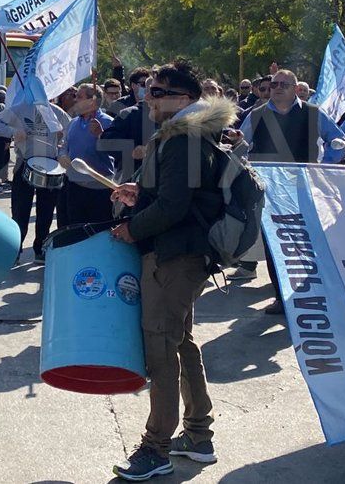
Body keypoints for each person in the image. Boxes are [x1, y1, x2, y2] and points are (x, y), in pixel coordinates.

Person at [108, 58, 236, 481]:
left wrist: (132, 228)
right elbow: (175, 194)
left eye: (158, 92)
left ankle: (156, 448)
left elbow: (175, 206)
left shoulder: (184, 137)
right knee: (181, 342)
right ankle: (198, 437)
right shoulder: (187, 134)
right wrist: (139, 191)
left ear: (185, 99)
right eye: (149, 90)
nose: (148, 96)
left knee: (161, 350)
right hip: (183, 254)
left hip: (175, 255)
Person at [227, 69, 345, 314]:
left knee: (308, 242)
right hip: (270, 192)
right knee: (275, 245)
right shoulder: (257, 114)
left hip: (305, 190)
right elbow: (242, 146)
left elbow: (338, 141)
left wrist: (322, 170)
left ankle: (311, 293)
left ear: (296, 88)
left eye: (284, 84)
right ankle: (282, 297)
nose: (277, 87)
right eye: (274, 83)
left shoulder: (314, 113)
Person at [0, 99, 70, 263]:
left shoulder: (57, 112)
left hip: (50, 167)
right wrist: (13, 131)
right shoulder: (19, 108)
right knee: (20, 211)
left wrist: (61, 145)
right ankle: (15, 250)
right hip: (24, 163)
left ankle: (41, 248)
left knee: (46, 211)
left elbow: (70, 132)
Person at [60, 83, 116, 227]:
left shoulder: (108, 122)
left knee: (99, 229)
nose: (75, 100)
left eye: (79, 97)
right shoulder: (72, 123)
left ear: (92, 100)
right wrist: (62, 155)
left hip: (99, 187)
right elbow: (64, 145)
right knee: (75, 229)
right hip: (74, 186)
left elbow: (118, 150)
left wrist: (101, 135)